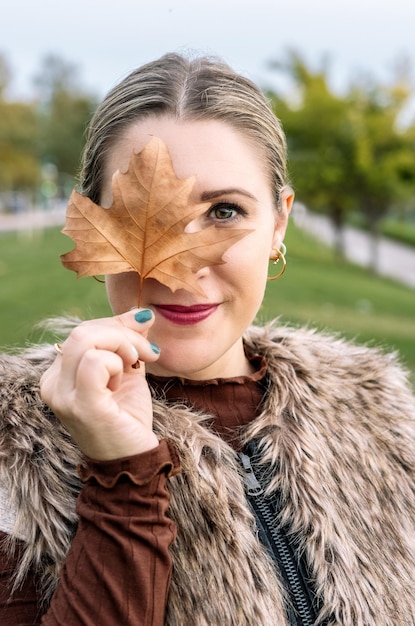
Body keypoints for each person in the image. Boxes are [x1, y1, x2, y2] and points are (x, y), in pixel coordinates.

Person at [0, 52, 415, 626]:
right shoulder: (13, 454)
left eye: (225, 210)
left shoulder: (384, 415)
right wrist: (122, 479)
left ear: (278, 224)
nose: (181, 270)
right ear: (92, 224)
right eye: (144, 217)